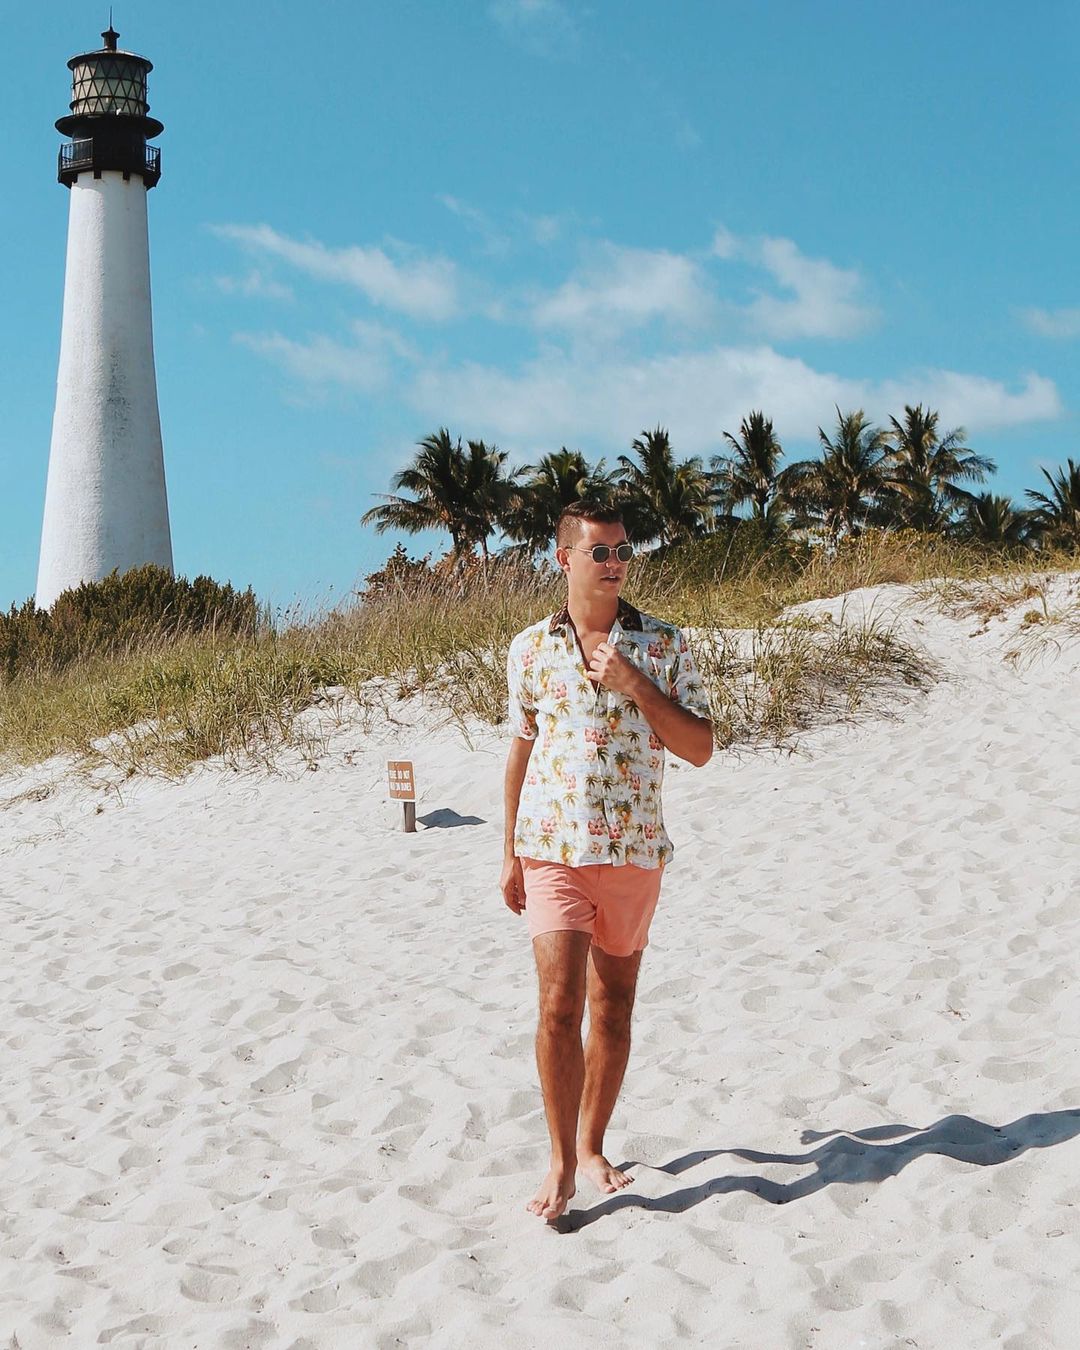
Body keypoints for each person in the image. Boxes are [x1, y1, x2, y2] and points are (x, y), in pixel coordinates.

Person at [501, 500, 714, 1223]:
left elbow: (700, 747)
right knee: (557, 1007)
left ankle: (592, 1146)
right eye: (601, 551)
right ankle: (560, 1162)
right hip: (552, 849)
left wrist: (635, 684)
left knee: (613, 1008)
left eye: (623, 550)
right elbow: (522, 748)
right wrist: (509, 853)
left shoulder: (664, 643)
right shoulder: (529, 648)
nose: (616, 562)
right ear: (565, 559)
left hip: (633, 850)